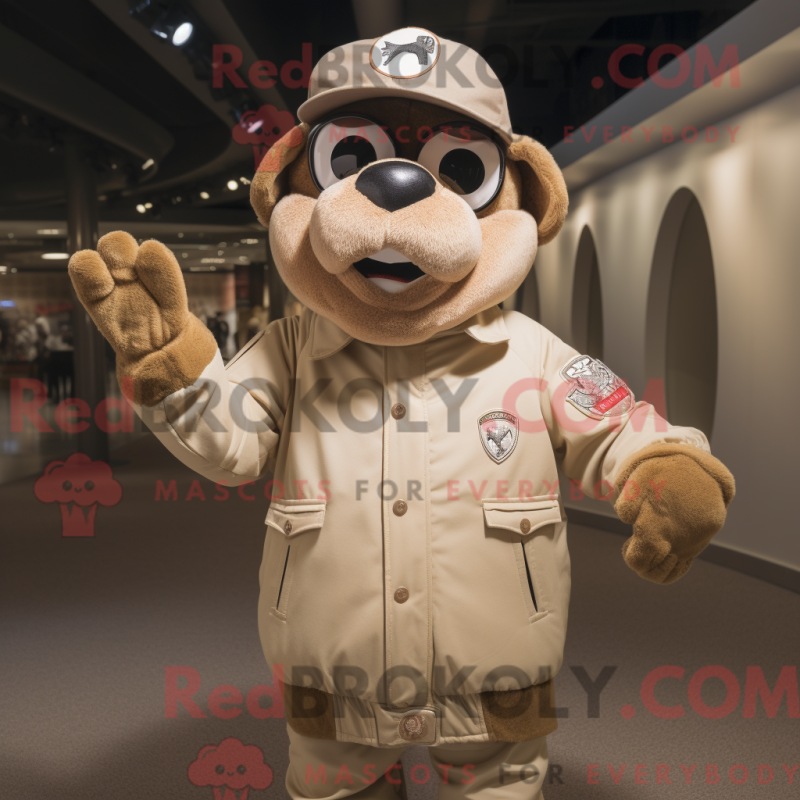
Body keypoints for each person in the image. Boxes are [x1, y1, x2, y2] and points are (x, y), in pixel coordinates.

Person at [68, 28, 735, 799]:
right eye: (350, 158)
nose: (395, 189)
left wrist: (665, 466)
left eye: (460, 169)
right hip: (330, 668)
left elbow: (616, 424)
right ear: (289, 177)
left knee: (497, 786)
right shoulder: (292, 347)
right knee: (335, 789)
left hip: (498, 664)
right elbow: (231, 445)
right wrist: (173, 369)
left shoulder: (530, 352)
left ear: (523, 190)